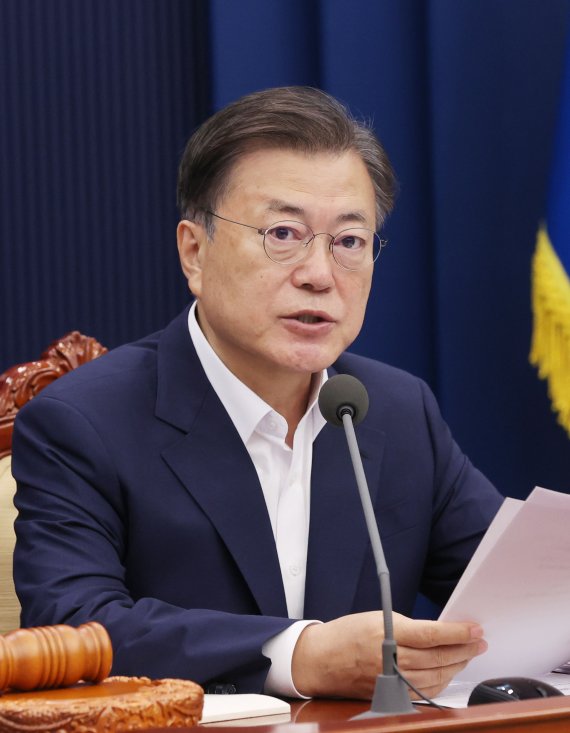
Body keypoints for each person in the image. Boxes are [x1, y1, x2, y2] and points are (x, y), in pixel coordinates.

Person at [12, 86, 503, 701]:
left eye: (349, 242)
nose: (319, 275)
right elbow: (74, 627)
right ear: (194, 252)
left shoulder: (398, 411)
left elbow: (519, 590)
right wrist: (298, 656)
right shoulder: (83, 422)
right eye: (283, 233)